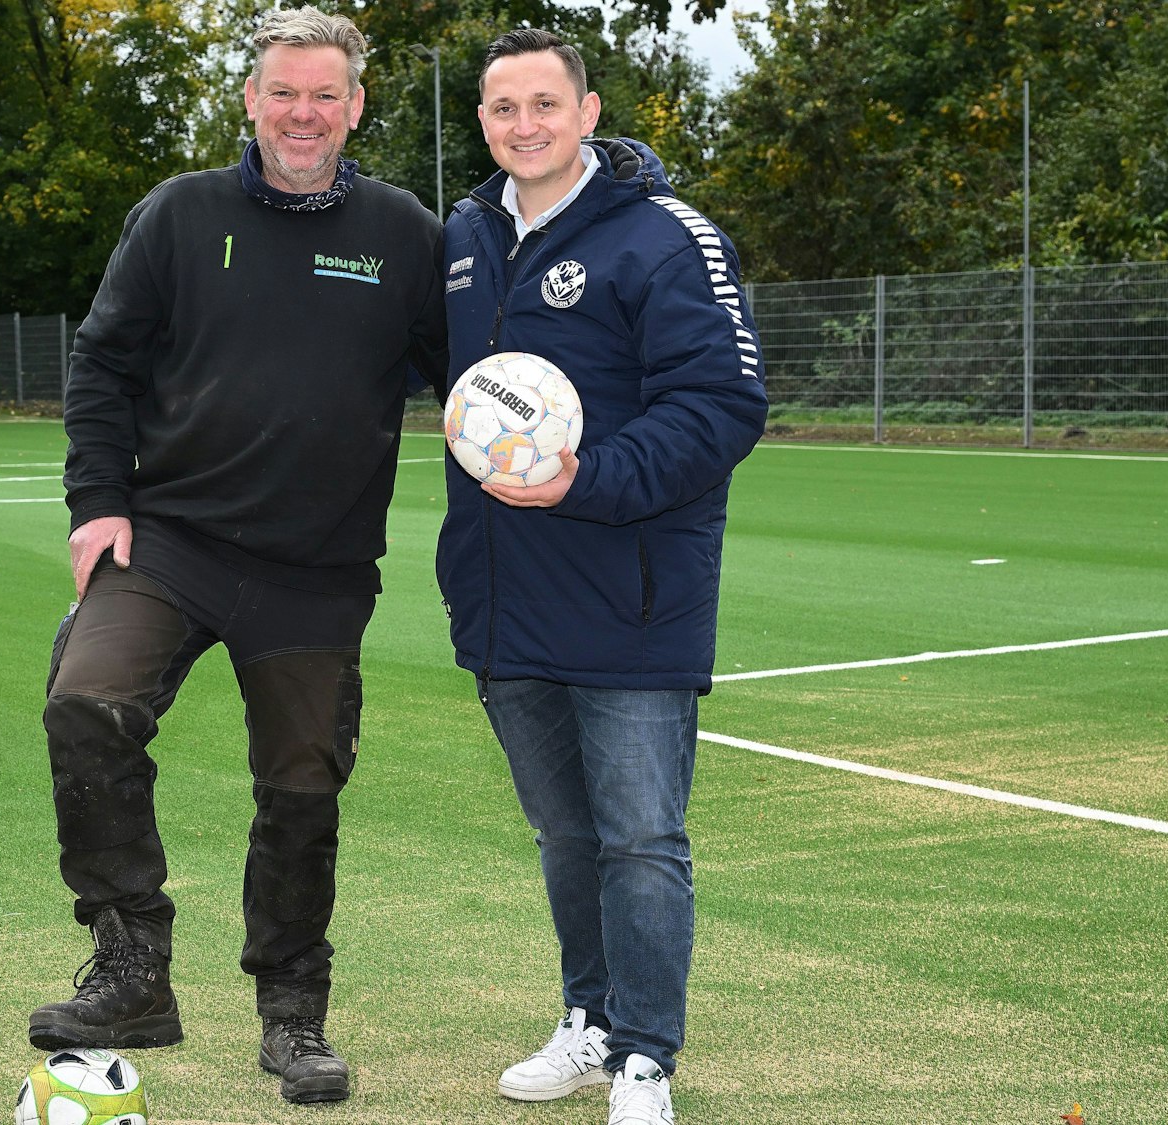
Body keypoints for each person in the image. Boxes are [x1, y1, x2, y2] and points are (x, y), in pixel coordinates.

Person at [28, 6, 446, 1106]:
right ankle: (132, 966)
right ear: (249, 100)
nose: (301, 113)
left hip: (315, 568)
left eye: (324, 94)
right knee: (88, 702)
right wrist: (95, 503)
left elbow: (472, 377)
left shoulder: (403, 232)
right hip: (171, 538)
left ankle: (292, 1015)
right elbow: (102, 364)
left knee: (302, 786)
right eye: (282, 91)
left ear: (354, 107)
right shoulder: (178, 216)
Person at [435, 28, 768, 1125]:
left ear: (586, 113)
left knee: (637, 837)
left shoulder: (664, 239)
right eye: (500, 108)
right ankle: (586, 1020)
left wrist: (584, 480)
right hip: (503, 598)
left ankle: (643, 1057)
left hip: (630, 595)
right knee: (564, 836)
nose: (521, 124)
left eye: (543, 103)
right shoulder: (466, 237)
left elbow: (721, 406)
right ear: (480, 122)